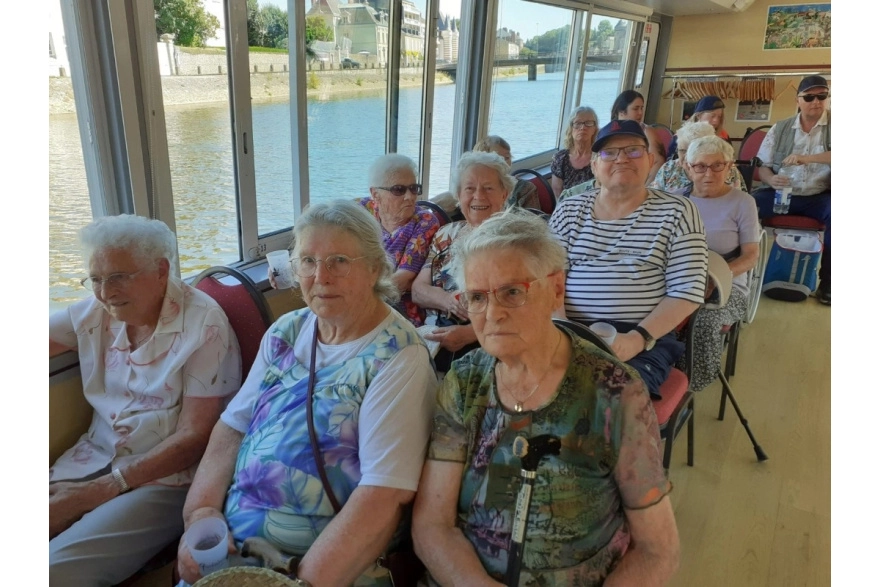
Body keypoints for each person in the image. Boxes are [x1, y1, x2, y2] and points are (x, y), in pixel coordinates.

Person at [176, 200, 437, 586]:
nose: (321, 277)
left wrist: (302, 584)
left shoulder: (399, 358)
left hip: (318, 565)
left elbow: (382, 498)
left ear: (375, 268)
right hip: (231, 546)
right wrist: (200, 516)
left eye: (339, 261)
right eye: (308, 262)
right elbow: (232, 428)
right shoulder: (287, 330)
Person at [412, 210, 680, 586]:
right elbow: (432, 525)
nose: (493, 315)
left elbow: (657, 549)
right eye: (476, 297)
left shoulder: (614, 392)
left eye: (512, 292)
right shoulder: (464, 381)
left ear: (555, 288)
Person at [49, 214, 242, 586]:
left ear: (161, 270)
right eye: (96, 279)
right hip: (95, 456)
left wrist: (89, 495)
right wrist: (84, 493)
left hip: (166, 480)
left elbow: (194, 438)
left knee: (52, 572)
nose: (106, 292)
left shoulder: (204, 325)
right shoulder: (97, 311)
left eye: (119, 277)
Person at [548, 120, 708, 400]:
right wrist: (563, 333)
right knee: (531, 388)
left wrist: (637, 339)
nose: (621, 158)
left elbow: (687, 291)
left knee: (606, 404)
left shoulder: (678, 211)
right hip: (568, 330)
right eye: (609, 153)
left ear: (650, 160)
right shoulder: (569, 210)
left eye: (633, 151)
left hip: (643, 337)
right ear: (595, 166)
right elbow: (549, 279)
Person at [412, 151, 514, 372]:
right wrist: (447, 300)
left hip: (486, 344)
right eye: (469, 188)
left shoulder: (514, 241)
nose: (478, 196)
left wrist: (470, 334)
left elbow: (521, 307)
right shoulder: (445, 234)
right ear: (458, 195)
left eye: (488, 188)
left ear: (504, 194)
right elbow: (417, 290)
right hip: (432, 340)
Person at [682, 136, 761, 391]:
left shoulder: (743, 203)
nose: (709, 173)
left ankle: (690, 389)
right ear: (687, 167)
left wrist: (715, 279)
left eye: (718, 165)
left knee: (703, 321)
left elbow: (750, 256)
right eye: (700, 166)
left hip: (729, 286)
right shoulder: (675, 201)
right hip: (680, 281)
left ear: (730, 167)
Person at [754, 75, 831, 305]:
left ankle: (828, 283)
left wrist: (806, 158)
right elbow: (763, 166)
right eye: (809, 97)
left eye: (822, 96)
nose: (816, 101)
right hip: (781, 193)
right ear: (798, 100)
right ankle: (742, 276)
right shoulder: (780, 128)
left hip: (818, 196)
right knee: (747, 205)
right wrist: (772, 179)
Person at [361, 154, 440, 325]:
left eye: (413, 188)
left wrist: (357, 298)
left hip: (398, 309)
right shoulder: (362, 212)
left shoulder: (424, 221)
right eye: (399, 190)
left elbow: (403, 279)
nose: (410, 196)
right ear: (375, 194)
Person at [651, 120, 744, 194]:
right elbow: (652, 199)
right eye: (682, 150)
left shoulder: (726, 169)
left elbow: (738, 205)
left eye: (692, 152)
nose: (686, 157)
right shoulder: (669, 168)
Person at [611, 90, 665, 182]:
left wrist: (644, 187)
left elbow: (658, 162)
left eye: (641, 108)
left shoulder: (647, 132)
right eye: (636, 109)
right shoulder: (609, 133)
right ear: (622, 111)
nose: (640, 113)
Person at [473, 135, 540, 210]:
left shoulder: (524, 189)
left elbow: (532, 220)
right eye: (497, 158)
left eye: (507, 158)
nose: (504, 163)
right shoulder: (471, 189)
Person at [550, 107, 599, 198]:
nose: (583, 127)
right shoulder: (560, 158)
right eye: (578, 123)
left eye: (588, 123)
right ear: (571, 129)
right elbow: (557, 195)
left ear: (594, 129)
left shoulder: (600, 157)